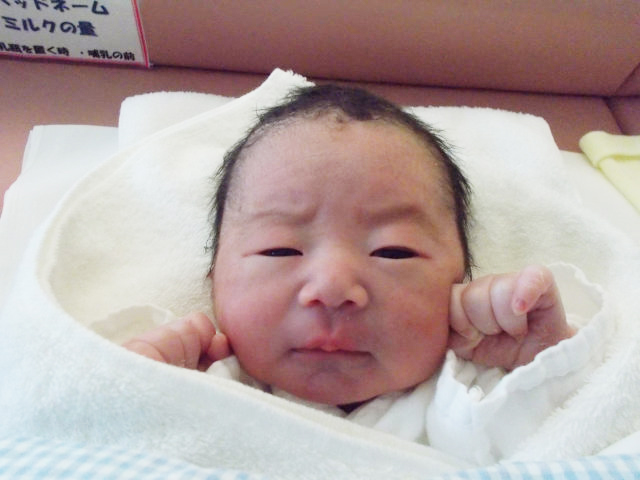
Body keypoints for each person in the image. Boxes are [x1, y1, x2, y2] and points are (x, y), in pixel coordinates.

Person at [123, 85, 591, 461]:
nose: (332, 287)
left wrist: (545, 364)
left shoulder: (480, 390)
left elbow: (580, 435)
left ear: (460, 283)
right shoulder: (196, 388)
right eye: (278, 250)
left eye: (394, 252)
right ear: (213, 281)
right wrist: (129, 388)